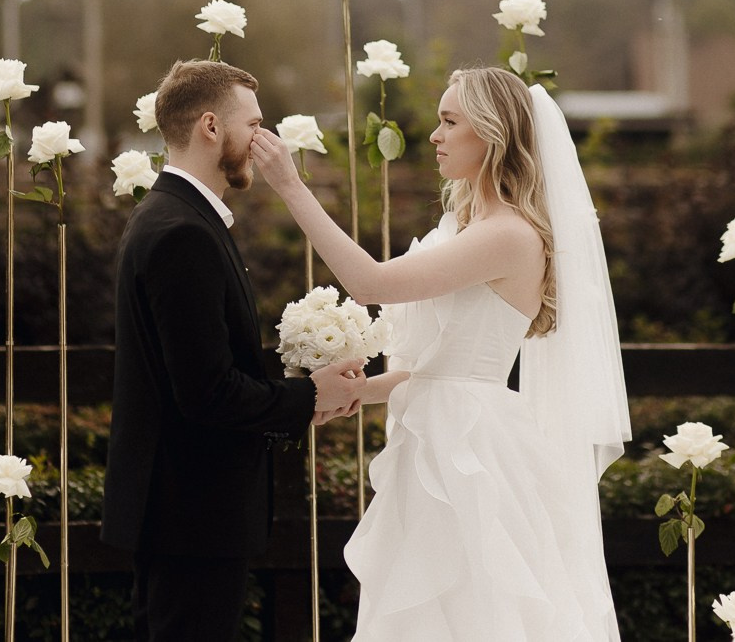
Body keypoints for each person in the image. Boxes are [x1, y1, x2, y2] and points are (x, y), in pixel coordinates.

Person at [251, 65, 631, 642]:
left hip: (470, 453)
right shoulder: (460, 227)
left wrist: (291, 186)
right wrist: (365, 389)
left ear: (493, 134)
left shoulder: (507, 235)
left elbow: (371, 285)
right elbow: (438, 366)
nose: (435, 135)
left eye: (450, 121)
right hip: (431, 436)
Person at [101, 58, 365, 642]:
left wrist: (309, 394)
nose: (263, 140)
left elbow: (203, 369)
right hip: (191, 514)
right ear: (212, 127)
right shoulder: (182, 233)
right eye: (256, 123)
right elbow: (206, 392)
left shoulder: (177, 218)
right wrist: (307, 396)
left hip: (183, 513)